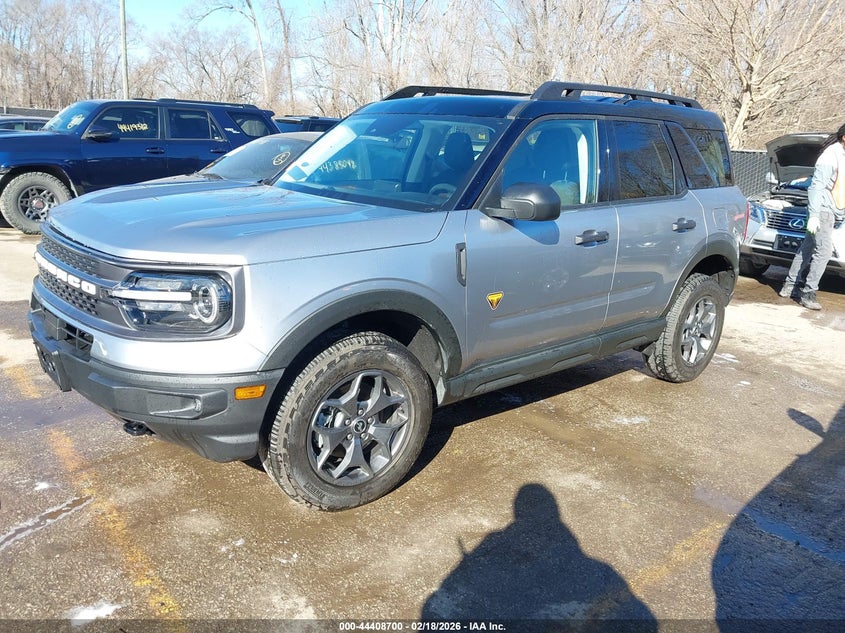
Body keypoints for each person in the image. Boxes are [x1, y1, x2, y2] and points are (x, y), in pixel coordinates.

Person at [779, 123, 845, 310]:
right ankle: (808, 293)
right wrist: (814, 215)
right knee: (823, 251)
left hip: (830, 209)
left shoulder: (842, 155)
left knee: (807, 247)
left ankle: (789, 286)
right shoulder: (830, 156)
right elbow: (816, 186)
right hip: (822, 210)